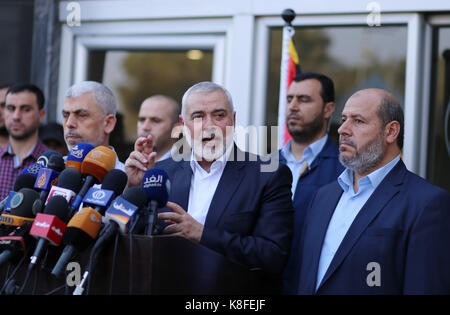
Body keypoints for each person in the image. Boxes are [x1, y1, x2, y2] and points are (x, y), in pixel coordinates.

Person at [125, 82, 294, 286]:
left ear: (233, 120)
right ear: (182, 124)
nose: (209, 126)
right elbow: (132, 243)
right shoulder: (160, 173)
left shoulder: (267, 174)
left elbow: (273, 255)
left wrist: (202, 234)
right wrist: (133, 188)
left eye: (219, 115)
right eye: (198, 117)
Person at [288, 88, 450, 294]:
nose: (342, 129)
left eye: (358, 121)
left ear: (391, 132)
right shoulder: (323, 197)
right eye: (344, 118)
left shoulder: (427, 203)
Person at [280, 73, 344, 292]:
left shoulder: (346, 170)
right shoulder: (263, 166)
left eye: (304, 99)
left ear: (328, 109)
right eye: (289, 99)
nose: (293, 107)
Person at [0, 83, 48, 200]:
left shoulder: (51, 164)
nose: (16, 116)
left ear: (41, 115)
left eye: (26, 109)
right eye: (11, 108)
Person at [61, 81, 124, 170]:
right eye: (65, 115)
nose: (69, 123)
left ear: (108, 123)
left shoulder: (127, 180)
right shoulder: (50, 173)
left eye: (82, 115)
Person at [136, 95, 182, 161]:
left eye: (155, 120)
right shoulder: (127, 166)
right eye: (142, 119)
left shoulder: (190, 167)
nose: (145, 127)